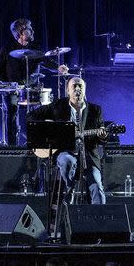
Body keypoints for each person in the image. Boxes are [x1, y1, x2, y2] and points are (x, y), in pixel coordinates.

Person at [28, 76, 107, 204]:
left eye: (80, 86)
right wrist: (49, 131)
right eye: (74, 86)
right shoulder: (58, 106)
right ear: (68, 91)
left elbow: (101, 139)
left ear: (85, 90)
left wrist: (103, 136)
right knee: (66, 161)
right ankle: (70, 189)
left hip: (88, 156)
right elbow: (31, 116)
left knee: (97, 187)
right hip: (66, 151)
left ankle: (98, 220)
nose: (77, 89)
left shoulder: (95, 110)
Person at [0, 18, 67, 146]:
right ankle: (12, 147)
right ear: (21, 33)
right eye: (29, 28)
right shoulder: (7, 48)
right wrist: (5, 85)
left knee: (39, 113)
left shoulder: (34, 46)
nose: (32, 30)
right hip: (13, 88)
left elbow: (44, 60)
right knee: (12, 114)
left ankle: (38, 144)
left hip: (31, 86)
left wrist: (58, 67)